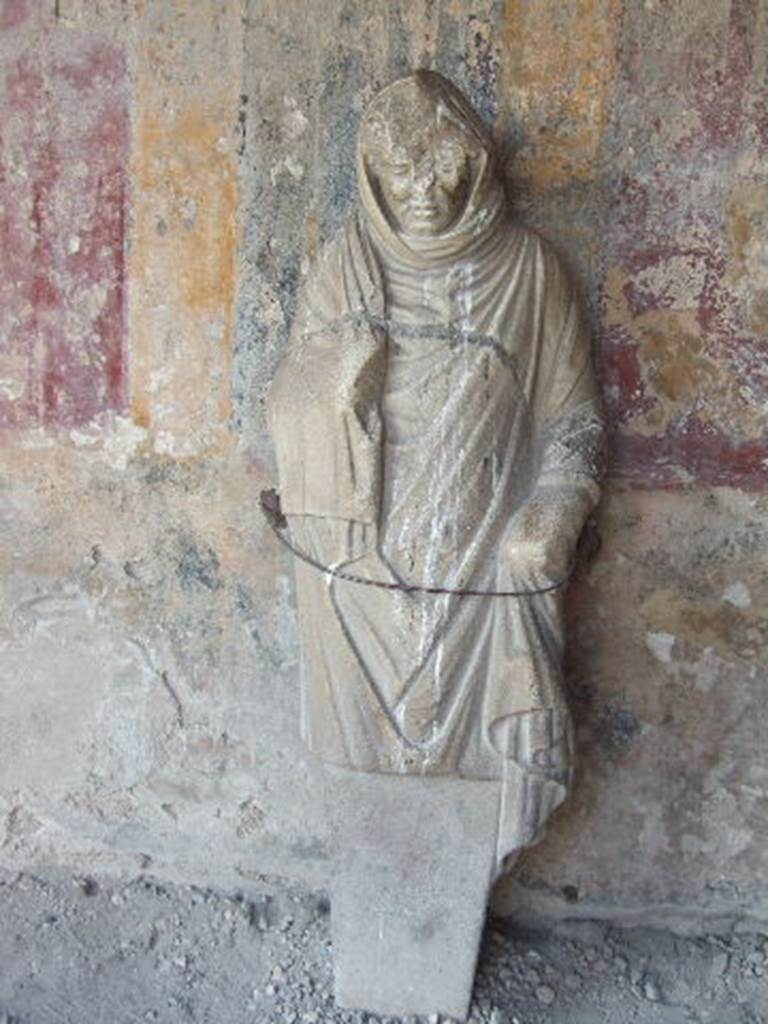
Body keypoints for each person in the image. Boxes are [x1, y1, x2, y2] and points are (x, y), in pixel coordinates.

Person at [267, 70, 602, 861]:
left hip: (481, 544)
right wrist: (336, 381)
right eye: (399, 171)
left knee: (475, 725)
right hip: (355, 552)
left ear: (477, 164)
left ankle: (469, 858)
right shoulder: (342, 272)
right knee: (364, 749)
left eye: (439, 168)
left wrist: (557, 501)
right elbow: (290, 402)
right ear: (371, 175)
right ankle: (381, 872)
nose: (422, 192)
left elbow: (574, 417)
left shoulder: (530, 271)